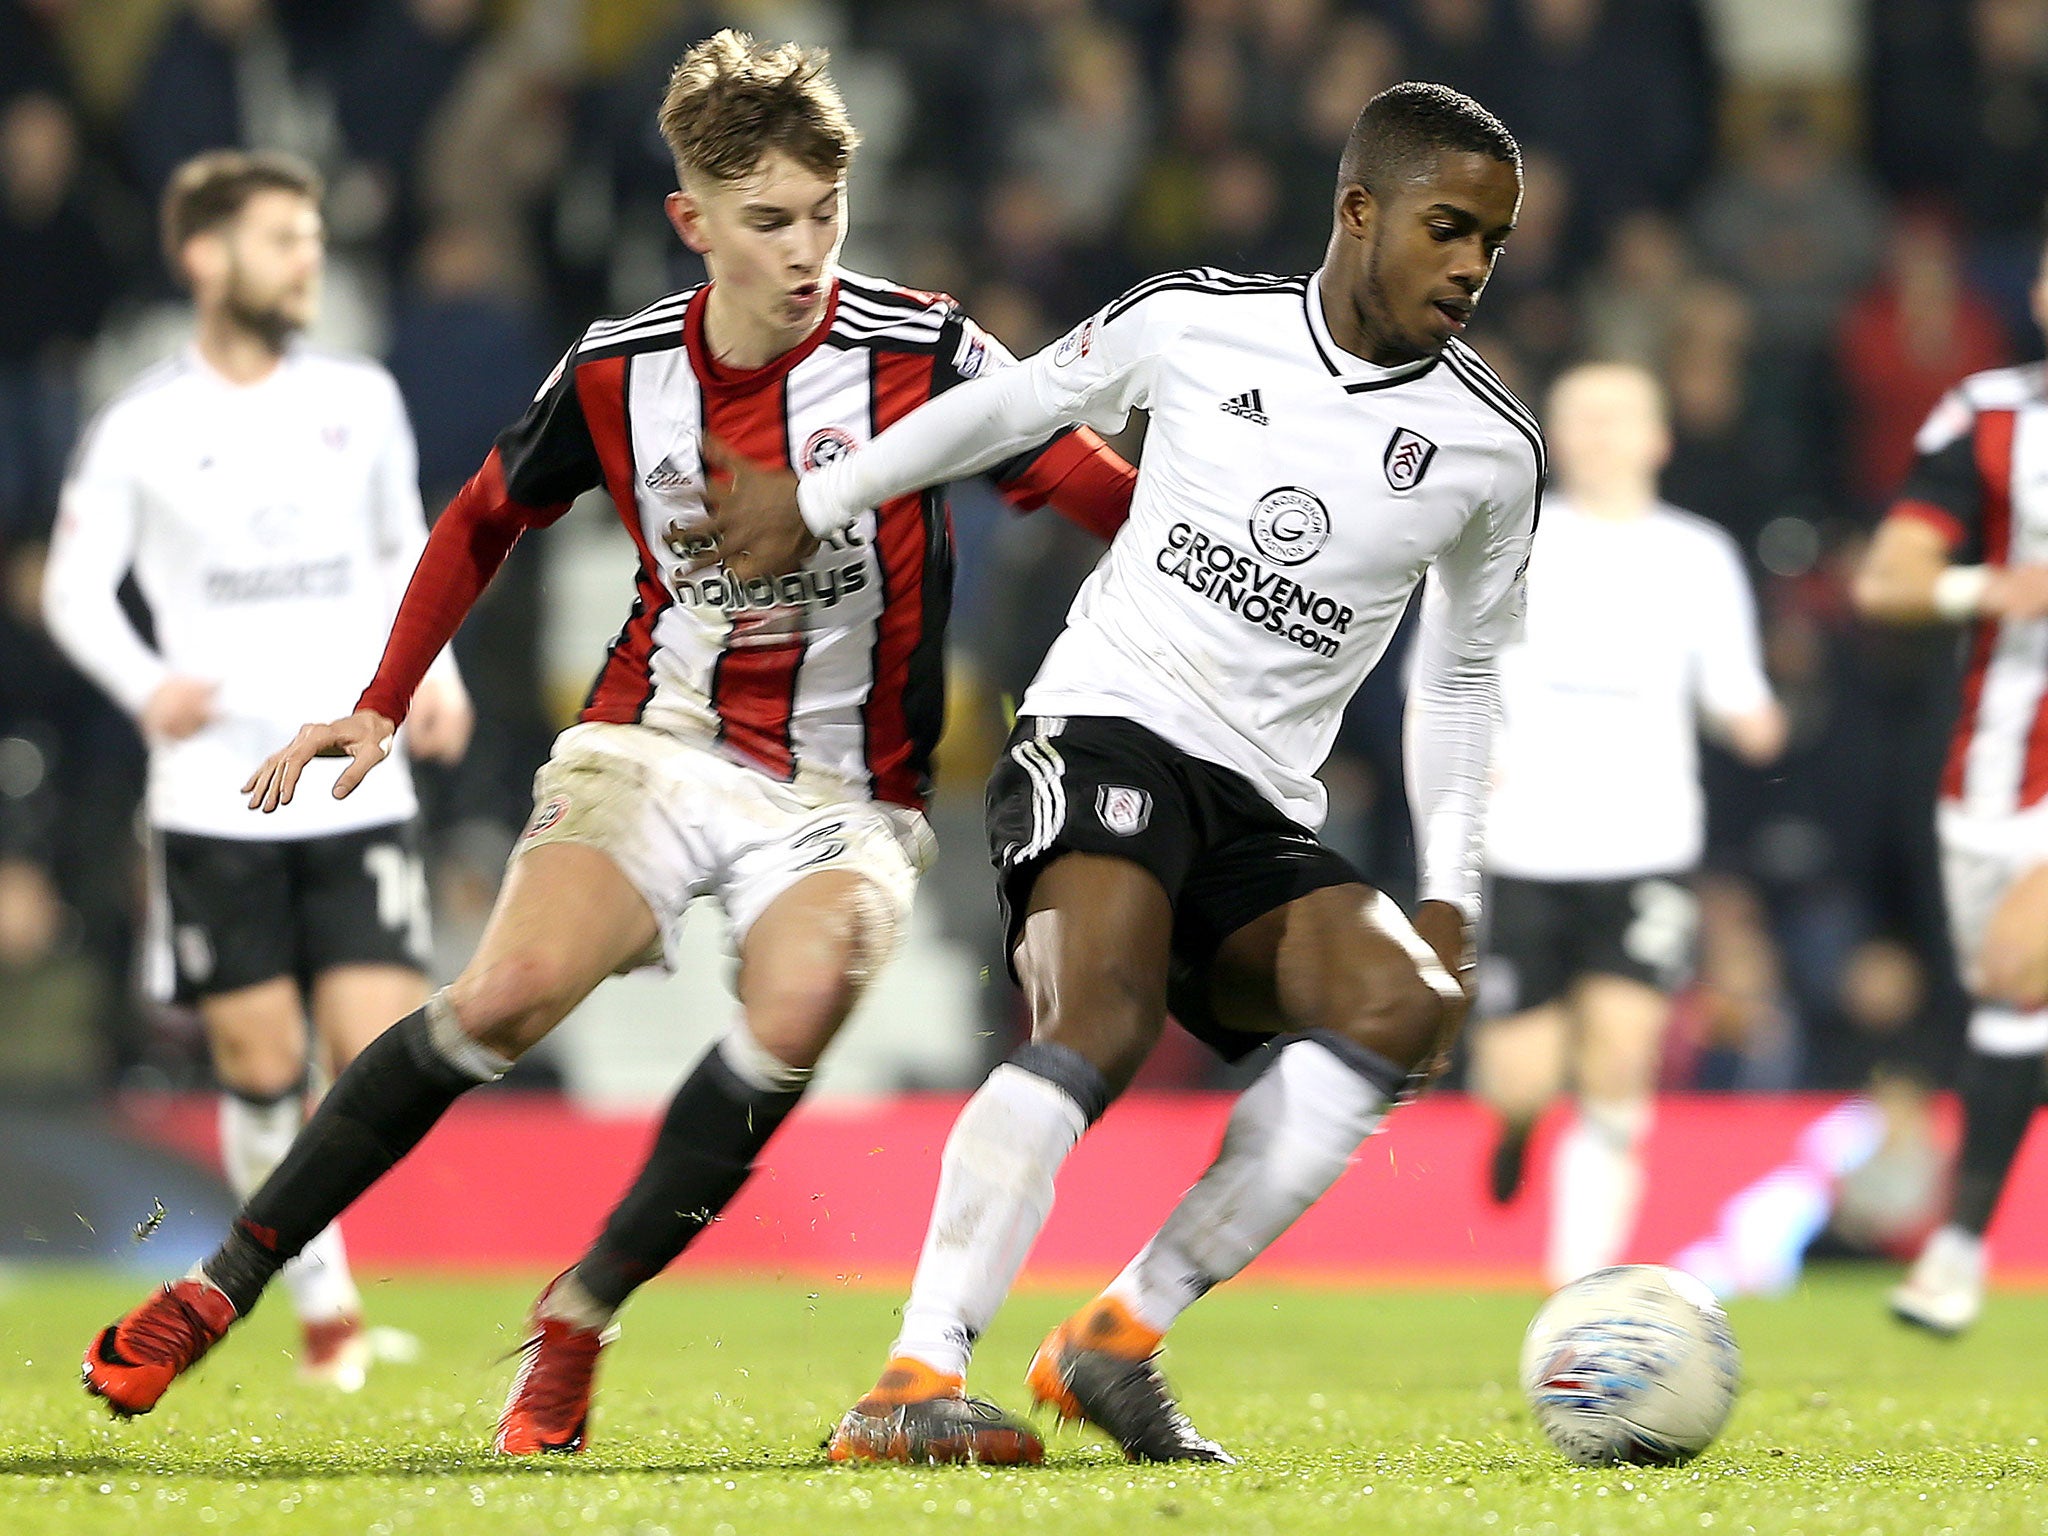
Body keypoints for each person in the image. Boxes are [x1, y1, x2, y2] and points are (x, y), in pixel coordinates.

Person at [78, 32, 1135, 1448]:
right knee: (503, 996)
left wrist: (1246, 567)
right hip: (658, 737)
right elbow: (480, 519)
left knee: (798, 1008)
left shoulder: (924, 349)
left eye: (826, 212)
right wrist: (385, 696)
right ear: (690, 222)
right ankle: (219, 1289)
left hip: (847, 788)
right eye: (768, 220)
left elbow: (1088, 485)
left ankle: (579, 1314)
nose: (809, 247)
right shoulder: (618, 372)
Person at [698, 80, 1537, 1466]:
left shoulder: (1490, 450)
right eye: (1448, 228)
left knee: (1408, 1002)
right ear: (1359, 208)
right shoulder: (1197, 321)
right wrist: (821, 497)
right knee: (1101, 1012)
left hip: (1260, 807)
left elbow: (1457, 674)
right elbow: (1011, 407)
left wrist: (1452, 888)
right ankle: (914, 1373)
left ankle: (1116, 1338)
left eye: (1492, 245)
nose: (1469, 266)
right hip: (1105, 728)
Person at [45, 149, 473, 1391]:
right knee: (256, 1063)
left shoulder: (361, 397)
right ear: (204, 257)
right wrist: (146, 686)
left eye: (313, 240)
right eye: (285, 239)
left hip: (352, 773)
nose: (308, 262)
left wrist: (430, 677)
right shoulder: (142, 424)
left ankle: (313, 1278)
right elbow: (74, 586)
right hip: (214, 788)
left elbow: (409, 550)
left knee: (381, 1044)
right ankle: (326, 1306)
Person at [1464, 361, 1784, 1287]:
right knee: (1520, 1075)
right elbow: (1446, 674)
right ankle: (1517, 1124)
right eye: (1581, 417)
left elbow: (1736, 687)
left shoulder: (1698, 555)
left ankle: (1579, 1285)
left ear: (1658, 438)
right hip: (1525, 840)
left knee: (1622, 1055)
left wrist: (1753, 720)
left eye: (1619, 417)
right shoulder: (1510, 542)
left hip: (1647, 840)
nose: (1600, 434)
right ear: (1555, 439)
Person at [1853, 236, 2048, 1336]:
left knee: (2021, 958)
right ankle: (1963, 1249)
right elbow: (1886, 578)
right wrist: (1989, 583)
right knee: (2009, 994)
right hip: (1991, 771)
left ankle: (1954, 1250)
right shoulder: (1983, 416)